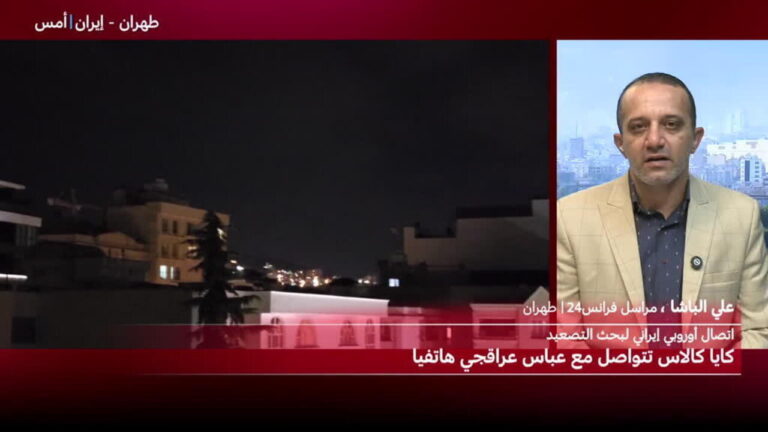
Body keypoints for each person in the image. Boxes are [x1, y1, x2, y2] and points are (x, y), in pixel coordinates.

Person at [557, 72, 768, 349]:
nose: (655, 140)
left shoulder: (741, 215)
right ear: (620, 144)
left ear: (695, 139)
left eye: (671, 125)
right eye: (638, 127)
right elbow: (565, 337)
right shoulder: (570, 218)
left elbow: (759, 330)